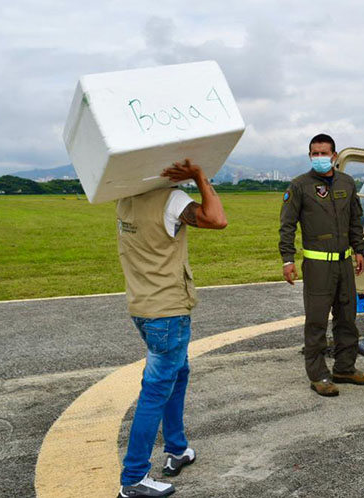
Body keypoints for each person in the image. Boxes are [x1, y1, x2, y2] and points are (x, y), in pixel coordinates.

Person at [116, 159, 227, 498]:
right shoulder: (172, 199)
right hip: (168, 312)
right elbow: (217, 219)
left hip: (142, 307)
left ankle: (177, 448)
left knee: (178, 374)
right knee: (155, 391)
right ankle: (134, 477)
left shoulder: (125, 200)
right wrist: (199, 176)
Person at [279, 133, 364, 397]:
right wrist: (288, 259)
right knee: (317, 322)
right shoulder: (299, 186)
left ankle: (345, 368)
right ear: (310, 155)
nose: (319, 157)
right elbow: (287, 226)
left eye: (324, 153)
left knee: (347, 319)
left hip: (344, 264)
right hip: (317, 266)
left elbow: (355, 219)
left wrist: (359, 250)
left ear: (334, 155)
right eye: (315, 153)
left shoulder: (347, 183)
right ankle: (319, 375)